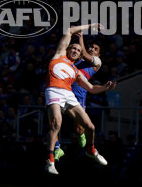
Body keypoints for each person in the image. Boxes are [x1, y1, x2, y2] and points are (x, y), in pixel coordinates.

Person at [44, 23, 117, 175]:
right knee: (56, 123)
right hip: (54, 91)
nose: (77, 50)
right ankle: (51, 159)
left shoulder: (80, 69)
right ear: (68, 49)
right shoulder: (59, 55)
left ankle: (91, 150)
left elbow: (91, 88)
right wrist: (90, 26)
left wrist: (105, 87)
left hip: (70, 95)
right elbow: (69, 31)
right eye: (74, 48)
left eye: (78, 50)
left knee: (89, 127)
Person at [54, 31, 103, 161]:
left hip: (79, 95)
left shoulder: (97, 62)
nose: (92, 49)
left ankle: (81, 135)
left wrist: (81, 38)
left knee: (79, 127)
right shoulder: (75, 58)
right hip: (64, 90)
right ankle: (56, 148)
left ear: (99, 54)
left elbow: (86, 56)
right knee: (54, 120)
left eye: (95, 49)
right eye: (91, 47)